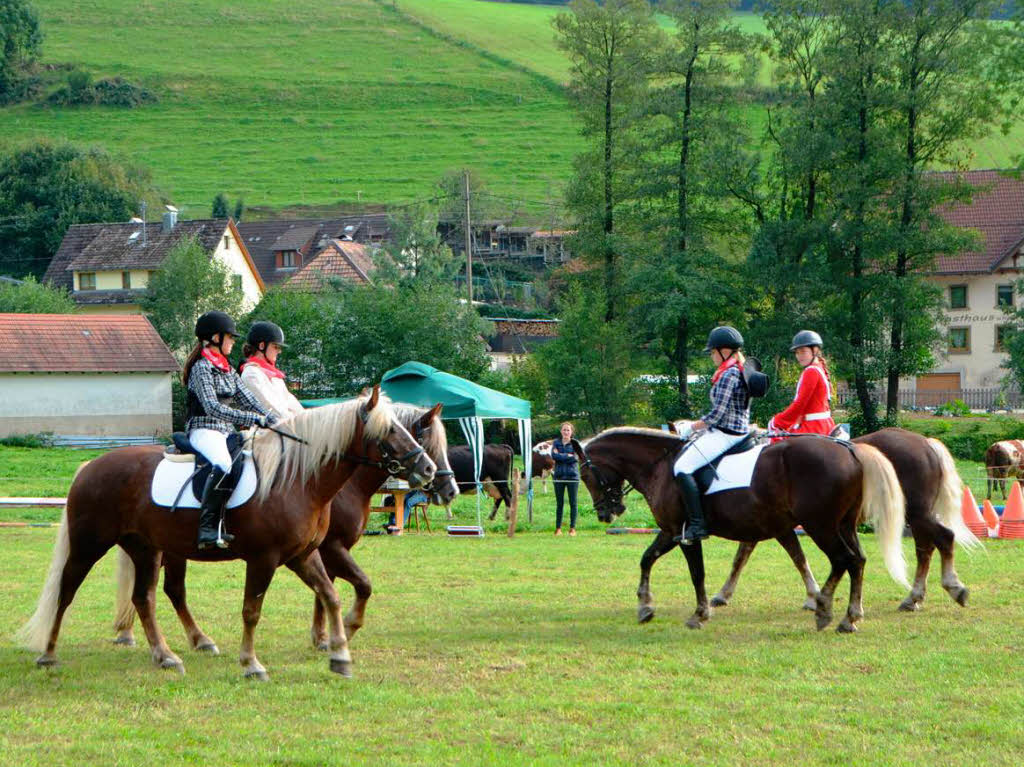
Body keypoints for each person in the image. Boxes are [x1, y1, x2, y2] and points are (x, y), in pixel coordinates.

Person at [183, 310, 278, 550]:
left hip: (225, 431)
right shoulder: (201, 368)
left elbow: (249, 400)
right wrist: (252, 418)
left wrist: (274, 419)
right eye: (230, 337)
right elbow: (212, 408)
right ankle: (207, 528)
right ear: (215, 337)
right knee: (224, 464)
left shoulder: (226, 369)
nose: (234, 342)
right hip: (203, 429)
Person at [673, 326, 752, 545]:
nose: (711, 356)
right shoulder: (738, 369)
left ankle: (698, 525)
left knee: (682, 467)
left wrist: (691, 427)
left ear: (724, 351)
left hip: (727, 433)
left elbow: (717, 414)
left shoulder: (729, 374)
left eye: (712, 352)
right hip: (732, 429)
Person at [768, 330, 836, 440]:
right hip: (824, 425)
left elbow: (799, 404)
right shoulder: (819, 368)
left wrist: (777, 421)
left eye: (803, 352)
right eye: (797, 352)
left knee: (774, 447)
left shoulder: (811, 371)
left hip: (813, 428)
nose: (799, 356)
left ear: (815, 350)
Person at [238, 320, 304, 420]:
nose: (279, 351)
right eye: (275, 347)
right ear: (262, 346)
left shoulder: (275, 377)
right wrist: (300, 424)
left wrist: (306, 419)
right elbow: (272, 410)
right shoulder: (251, 374)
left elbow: (293, 404)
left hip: (283, 429)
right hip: (263, 431)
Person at [552, 422, 580, 536]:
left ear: (571, 432)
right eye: (564, 430)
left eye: (568, 430)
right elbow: (554, 456)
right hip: (558, 476)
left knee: (573, 503)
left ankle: (572, 528)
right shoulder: (556, 443)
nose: (566, 432)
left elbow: (576, 458)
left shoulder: (575, 444)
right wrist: (567, 456)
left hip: (572, 477)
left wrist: (561, 456)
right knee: (560, 503)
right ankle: (558, 529)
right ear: (561, 431)